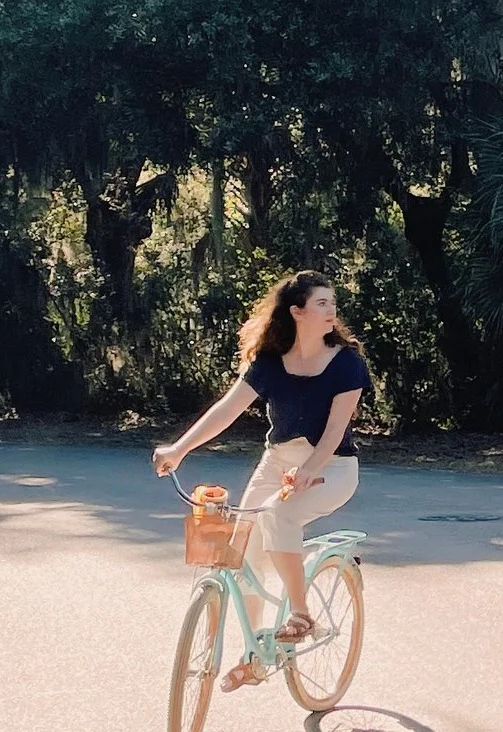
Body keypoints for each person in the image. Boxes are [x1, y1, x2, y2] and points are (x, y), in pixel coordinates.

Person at [154, 273, 369, 680]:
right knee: (243, 546)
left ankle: (301, 615)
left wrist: (308, 470)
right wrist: (179, 449)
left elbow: (335, 431)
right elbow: (226, 409)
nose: (331, 309)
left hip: (333, 467)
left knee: (279, 518)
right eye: (321, 302)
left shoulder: (346, 363)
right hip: (277, 463)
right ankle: (256, 653)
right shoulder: (270, 363)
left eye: (332, 302)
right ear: (297, 312)